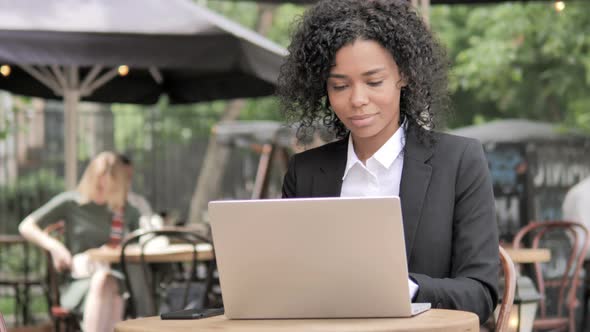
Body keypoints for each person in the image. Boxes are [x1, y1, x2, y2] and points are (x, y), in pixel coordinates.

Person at [278, 0, 499, 324]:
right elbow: (286, 282)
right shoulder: (305, 171)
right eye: (339, 85)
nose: (357, 100)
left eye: (374, 81)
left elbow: (480, 294)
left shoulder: (459, 162)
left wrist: (402, 288)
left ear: (404, 75)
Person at [19, 151, 141, 332]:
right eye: (99, 184)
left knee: (109, 284)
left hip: (117, 278)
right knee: (104, 283)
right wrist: (55, 247)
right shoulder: (71, 203)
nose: (102, 190)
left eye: (109, 186)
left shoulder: (125, 210)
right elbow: (26, 226)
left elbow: (142, 240)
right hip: (79, 278)